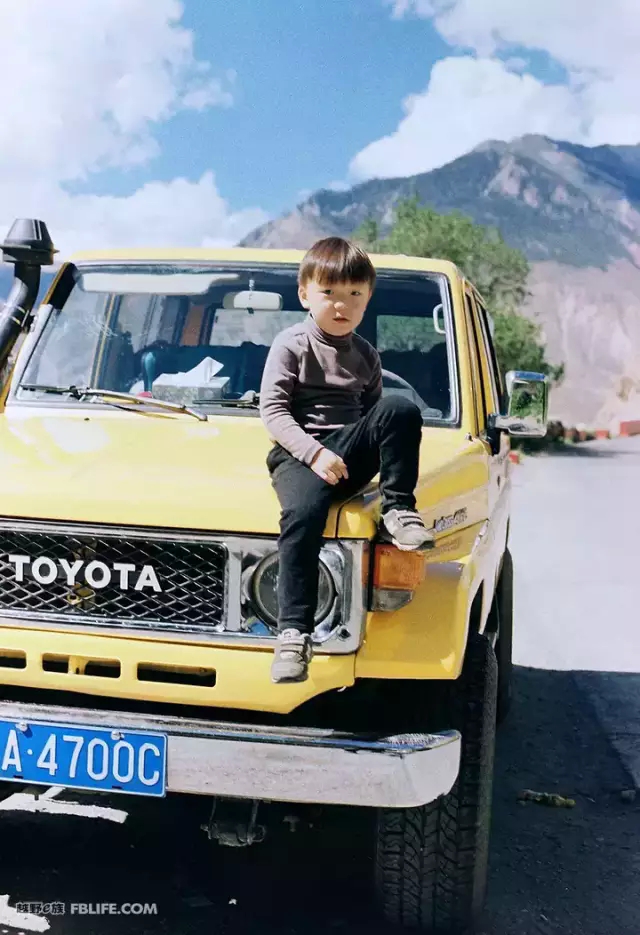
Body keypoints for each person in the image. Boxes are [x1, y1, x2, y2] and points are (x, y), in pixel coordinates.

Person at [259, 237, 433, 684]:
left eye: (355, 295)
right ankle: (294, 633)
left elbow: (376, 420)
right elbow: (273, 412)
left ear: (368, 299)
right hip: (301, 453)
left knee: (400, 409)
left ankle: (399, 510)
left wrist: (354, 452)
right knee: (302, 513)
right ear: (305, 295)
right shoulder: (290, 345)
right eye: (330, 294)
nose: (342, 305)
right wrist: (315, 454)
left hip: (348, 453)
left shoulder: (366, 355)